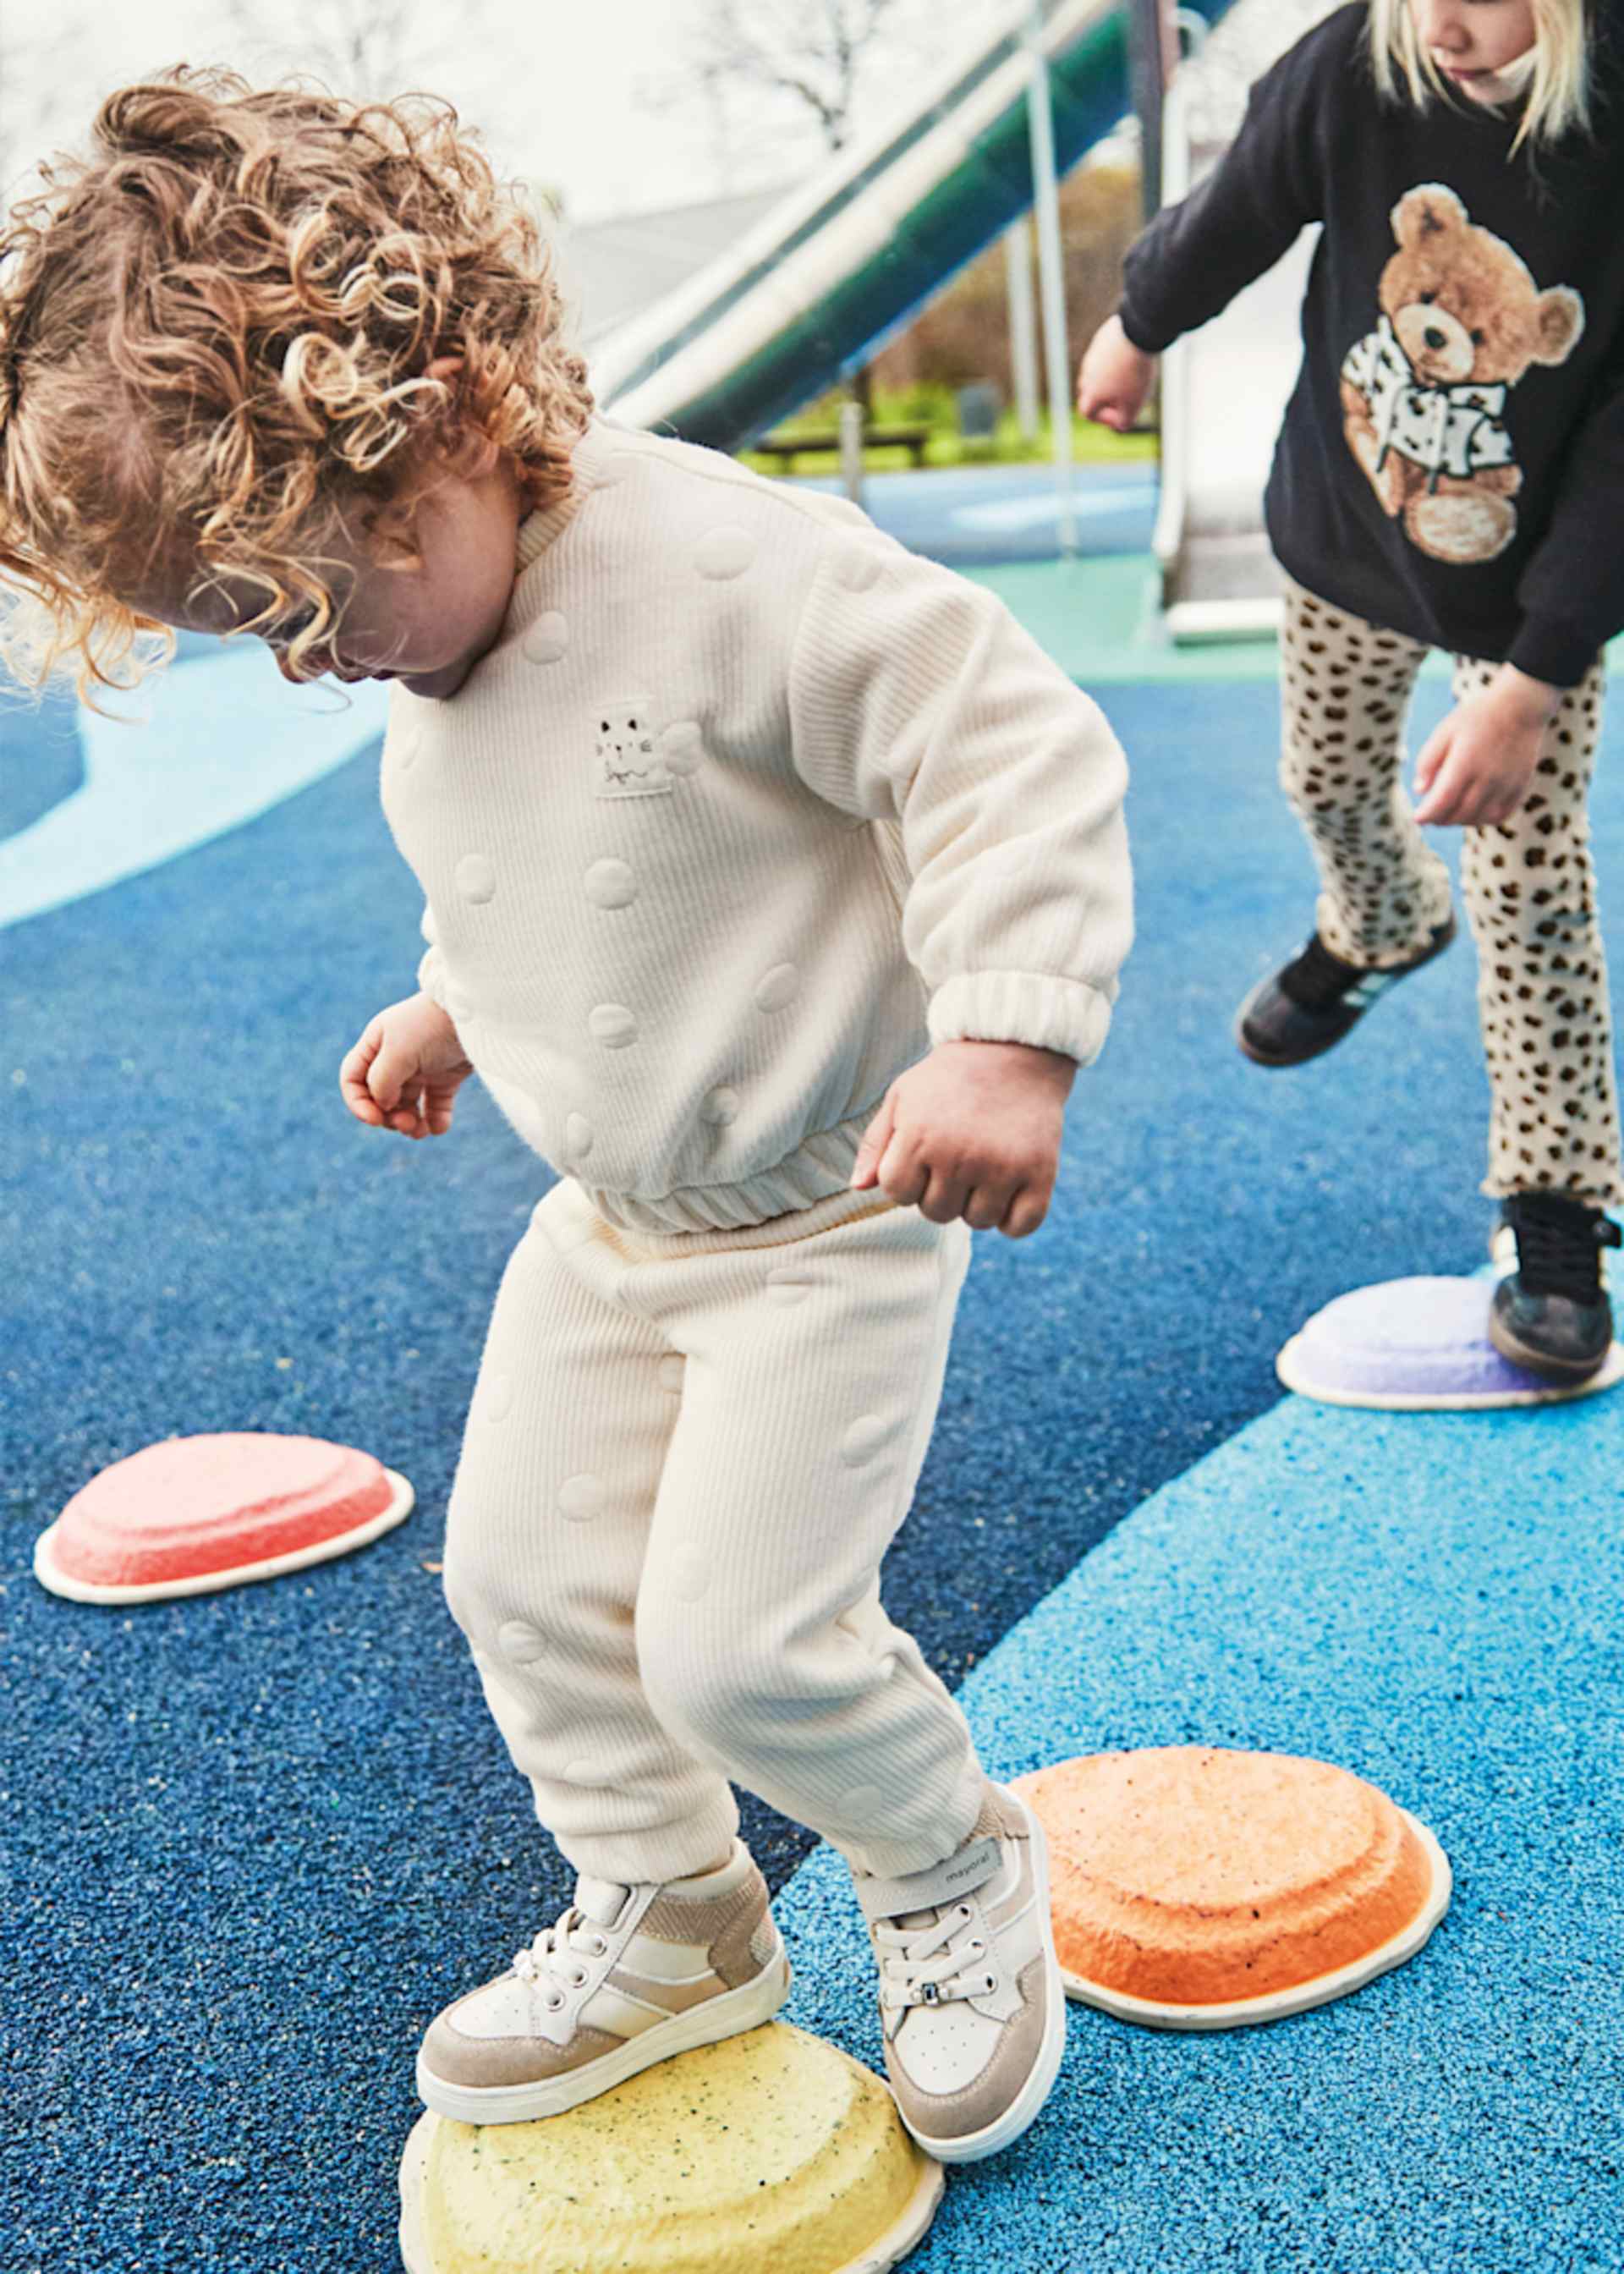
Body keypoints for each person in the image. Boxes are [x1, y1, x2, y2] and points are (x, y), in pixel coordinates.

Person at [0, 73, 1133, 2161]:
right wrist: (451, 1004)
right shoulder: (432, 661)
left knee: (746, 1645)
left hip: (820, 1221)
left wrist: (1004, 1040)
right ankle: (682, 1915)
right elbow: (550, 857)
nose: (311, 667)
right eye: (252, 635)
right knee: (521, 1582)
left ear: (427, 424)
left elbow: (1009, 748)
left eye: (307, 603)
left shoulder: (720, 563)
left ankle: (950, 1866)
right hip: (609, 1226)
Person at [1078, 0, 1624, 1381]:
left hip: (1527, 589)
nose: (1438, 20)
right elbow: (1235, 209)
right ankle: (1379, 925)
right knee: (1323, 779)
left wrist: (1537, 680)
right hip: (1343, 532)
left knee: (1530, 882)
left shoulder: (1606, 116)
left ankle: (1559, 1214)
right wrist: (1140, 325)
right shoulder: (1356, 68)